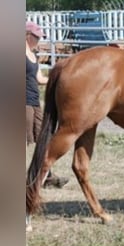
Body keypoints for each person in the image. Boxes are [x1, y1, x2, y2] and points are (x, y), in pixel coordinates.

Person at [26, 21, 69, 188]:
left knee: (43, 138)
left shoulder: (33, 55)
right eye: (37, 37)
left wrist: (58, 80)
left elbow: (40, 79)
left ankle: (47, 176)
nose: (39, 41)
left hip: (35, 101)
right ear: (28, 36)